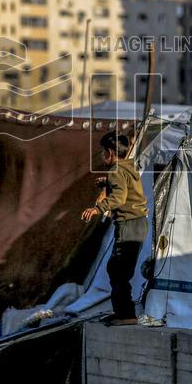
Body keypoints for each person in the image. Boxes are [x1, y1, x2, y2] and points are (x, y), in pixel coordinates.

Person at [80, 131, 148, 326]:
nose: (102, 156)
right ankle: (122, 312)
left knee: (118, 271)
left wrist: (97, 208)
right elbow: (124, 186)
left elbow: (119, 197)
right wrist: (106, 182)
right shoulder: (128, 166)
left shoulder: (116, 170)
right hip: (137, 223)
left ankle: (126, 315)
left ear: (110, 153)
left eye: (103, 152)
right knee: (117, 269)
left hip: (129, 225)